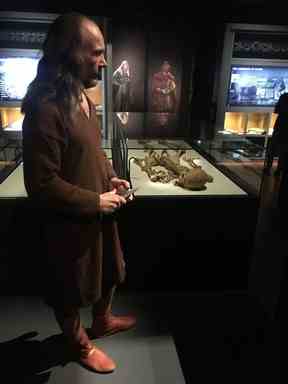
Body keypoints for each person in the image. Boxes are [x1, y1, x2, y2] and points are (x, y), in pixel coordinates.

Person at [21, 13, 136, 374]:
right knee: (68, 288)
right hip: (68, 224)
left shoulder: (82, 98)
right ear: (70, 52)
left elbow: (92, 151)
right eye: (97, 52)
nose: (104, 61)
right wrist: (94, 201)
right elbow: (40, 183)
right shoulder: (45, 107)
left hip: (97, 212)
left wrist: (112, 178)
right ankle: (79, 345)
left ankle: (101, 322)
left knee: (109, 270)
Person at [266, 92, 288, 175]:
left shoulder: (284, 96)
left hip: (280, 126)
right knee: (284, 151)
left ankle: (268, 168)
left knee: (272, 149)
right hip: (284, 129)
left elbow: (276, 110)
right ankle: (279, 170)